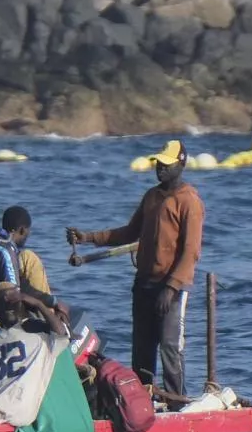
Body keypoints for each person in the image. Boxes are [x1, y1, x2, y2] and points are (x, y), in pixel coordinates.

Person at [67, 138, 205, 397]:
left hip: (170, 288)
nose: (160, 168)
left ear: (181, 165)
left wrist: (170, 288)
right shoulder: (152, 196)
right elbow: (130, 232)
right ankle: (141, 399)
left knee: (170, 347)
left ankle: (176, 400)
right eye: (158, 164)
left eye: (166, 165)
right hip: (144, 284)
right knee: (142, 347)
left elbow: (190, 252)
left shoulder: (189, 201)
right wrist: (88, 237)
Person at [0, 292, 71, 428]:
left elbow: (62, 334)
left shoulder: (42, 338)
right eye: (5, 303)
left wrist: (39, 304)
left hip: (15, 410)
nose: (9, 306)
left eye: (13, 302)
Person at [1, 206, 61, 309]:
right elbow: (27, 290)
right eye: (28, 231)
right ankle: (50, 313)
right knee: (29, 256)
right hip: (15, 306)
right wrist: (54, 302)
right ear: (22, 230)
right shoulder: (23, 257)